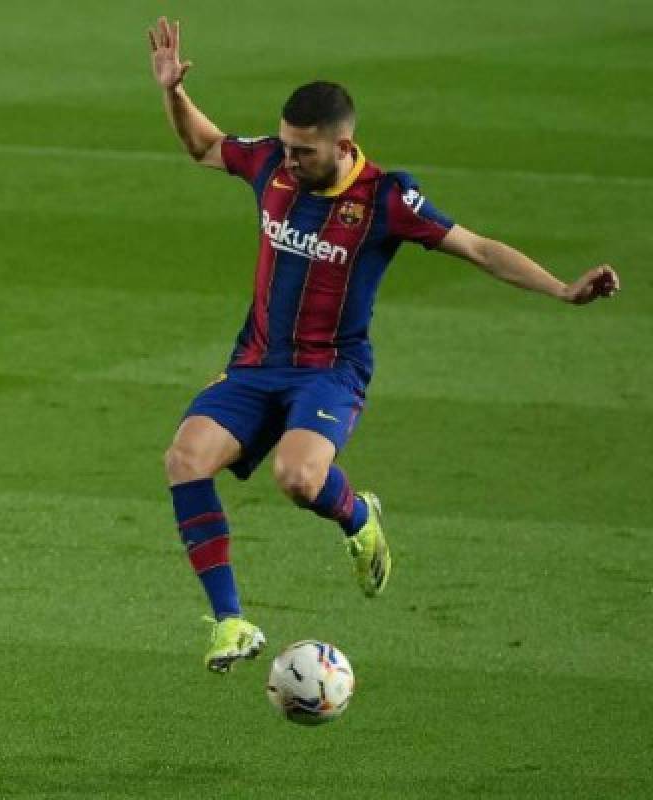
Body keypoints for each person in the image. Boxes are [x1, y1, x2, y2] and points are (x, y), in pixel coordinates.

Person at [147, 17, 620, 675]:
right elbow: (204, 147)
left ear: (344, 147)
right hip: (256, 363)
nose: (288, 160)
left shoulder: (386, 198)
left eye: (303, 152)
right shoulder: (270, 167)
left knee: (297, 477)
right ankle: (231, 621)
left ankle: (358, 516)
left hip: (330, 372)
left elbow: (478, 247)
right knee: (185, 458)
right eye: (284, 147)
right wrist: (172, 92)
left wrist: (562, 290)